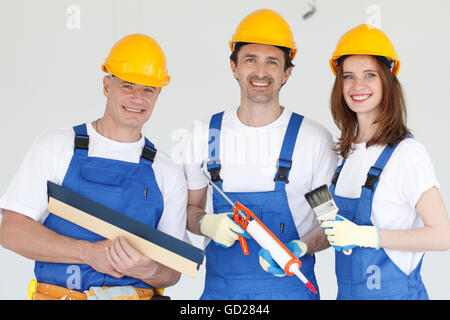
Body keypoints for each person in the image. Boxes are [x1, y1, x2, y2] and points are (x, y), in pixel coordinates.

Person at [0, 34, 188, 300]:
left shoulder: (166, 171)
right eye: (128, 85)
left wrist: (150, 268)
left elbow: (173, 271)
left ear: (158, 94)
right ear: (106, 85)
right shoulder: (55, 146)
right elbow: (11, 232)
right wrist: (88, 253)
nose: (138, 98)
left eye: (148, 89)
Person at [183, 9, 337, 300]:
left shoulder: (314, 140)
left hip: (291, 291)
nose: (261, 72)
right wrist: (205, 223)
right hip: (222, 296)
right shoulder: (205, 135)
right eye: (250, 60)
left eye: (272, 62)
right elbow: (190, 210)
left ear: (286, 73)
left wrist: (301, 247)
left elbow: (329, 224)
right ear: (234, 67)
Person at [322, 24, 450, 300]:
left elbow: (442, 236)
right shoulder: (344, 155)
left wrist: (367, 237)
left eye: (370, 75)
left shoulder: (407, 154)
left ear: (387, 81)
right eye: (348, 77)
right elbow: (338, 233)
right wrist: (298, 247)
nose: (358, 86)